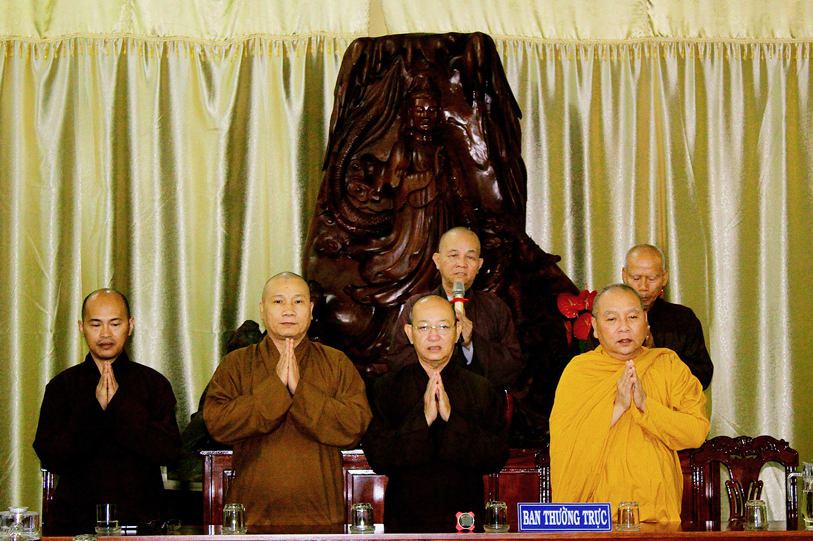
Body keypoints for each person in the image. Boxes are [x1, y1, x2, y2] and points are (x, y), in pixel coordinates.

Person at [203, 272, 372, 527]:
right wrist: (276, 387)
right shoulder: (236, 364)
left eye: (298, 301)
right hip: (252, 515)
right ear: (262, 310)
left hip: (322, 516)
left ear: (311, 310)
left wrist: (300, 389)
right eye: (278, 301)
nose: (289, 310)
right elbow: (218, 423)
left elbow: (354, 426)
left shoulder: (336, 362)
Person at [550, 284, 709, 523]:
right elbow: (566, 443)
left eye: (632, 317)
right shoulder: (579, 373)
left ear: (646, 322)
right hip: (595, 518)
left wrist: (645, 406)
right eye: (611, 319)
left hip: (656, 515)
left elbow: (696, 433)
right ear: (595, 328)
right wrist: (618, 408)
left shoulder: (668, 366)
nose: (624, 327)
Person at [33, 289, 182, 535]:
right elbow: (51, 457)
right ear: (81, 327)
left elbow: (169, 451)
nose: (105, 334)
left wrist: (120, 406)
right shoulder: (62, 386)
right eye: (96, 324)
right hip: (75, 523)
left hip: (141, 521)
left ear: (130, 326)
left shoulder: (153, 384)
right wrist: (94, 409)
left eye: (115, 324)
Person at [364, 295, 509, 532]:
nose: (434, 336)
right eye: (424, 327)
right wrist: (422, 419)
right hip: (405, 521)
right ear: (410, 334)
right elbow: (378, 458)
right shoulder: (388, 388)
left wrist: (452, 418)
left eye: (443, 327)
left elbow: (496, 456)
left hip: (465, 520)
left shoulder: (481, 388)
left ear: (458, 331)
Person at [386, 227, 523, 388]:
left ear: (479, 265)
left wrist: (471, 344)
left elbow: (513, 368)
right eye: (453, 255)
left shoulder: (495, 307)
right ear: (437, 261)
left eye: (470, 257)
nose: (461, 264)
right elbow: (397, 362)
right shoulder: (416, 305)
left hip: (478, 400)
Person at [586, 244, 713, 389]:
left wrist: (653, 355)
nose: (643, 287)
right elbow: (591, 369)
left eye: (652, 279)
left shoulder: (683, 319)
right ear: (624, 276)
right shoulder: (608, 318)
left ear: (664, 277)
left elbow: (702, 375)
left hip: (667, 401)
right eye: (636, 278)